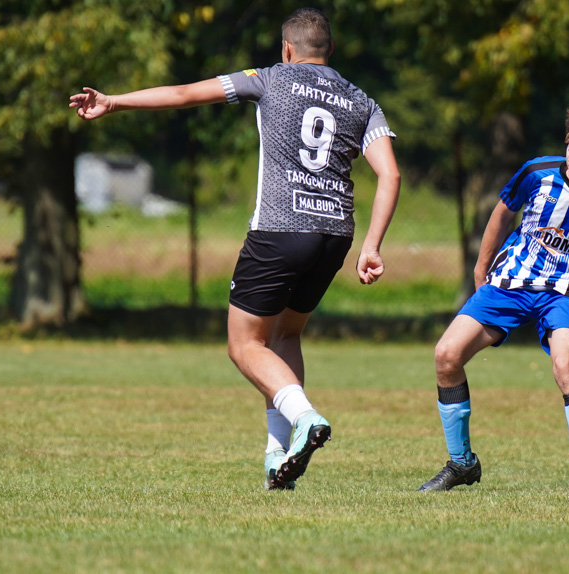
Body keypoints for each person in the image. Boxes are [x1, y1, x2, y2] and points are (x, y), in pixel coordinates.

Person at [70, 8, 400, 491]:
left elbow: (185, 94)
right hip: (335, 234)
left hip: (281, 229)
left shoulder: (268, 78)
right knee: (286, 337)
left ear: (287, 49)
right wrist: (371, 245)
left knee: (244, 344)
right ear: (330, 52)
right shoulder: (360, 99)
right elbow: (390, 174)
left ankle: (305, 419)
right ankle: (276, 457)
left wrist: (114, 102)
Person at [418, 94, 569, 494]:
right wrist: (480, 266)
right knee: (446, 355)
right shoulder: (537, 173)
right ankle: (461, 464)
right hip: (512, 281)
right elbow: (503, 211)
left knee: (565, 364)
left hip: (565, 291)